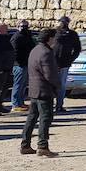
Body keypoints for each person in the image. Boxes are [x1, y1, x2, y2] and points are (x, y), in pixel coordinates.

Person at [21, 28, 61, 158]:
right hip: (44, 90)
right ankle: (42, 146)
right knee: (45, 117)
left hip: (34, 89)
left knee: (32, 117)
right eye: (54, 37)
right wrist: (58, 86)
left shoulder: (35, 50)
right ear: (49, 38)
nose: (55, 40)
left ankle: (25, 144)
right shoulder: (46, 52)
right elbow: (49, 74)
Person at [53, 15, 81, 112]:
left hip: (64, 63)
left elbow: (77, 49)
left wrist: (71, 59)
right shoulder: (54, 33)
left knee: (61, 85)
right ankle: (52, 105)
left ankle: (59, 105)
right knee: (52, 84)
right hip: (52, 63)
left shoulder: (72, 34)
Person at [10, 20, 35, 111]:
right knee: (18, 84)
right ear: (18, 27)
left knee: (23, 85)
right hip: (19, 65)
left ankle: (21, 102)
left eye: (26, 26)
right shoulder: (16, 37)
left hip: (26, 64)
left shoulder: (27, 36)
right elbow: (14, 52)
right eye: (22, 26)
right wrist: (19, 62)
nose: (24, 28)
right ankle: (15, 104)